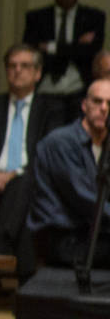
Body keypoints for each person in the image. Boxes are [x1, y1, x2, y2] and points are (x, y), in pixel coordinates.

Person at [0, 45, 65, 277]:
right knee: (23, 214)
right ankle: (26, 282)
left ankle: (0, 250)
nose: (17, 71)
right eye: (12, 66)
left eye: (25, 66)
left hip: (32, 184)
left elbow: (48, 155)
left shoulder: (52, 109)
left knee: (22, 184)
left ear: (38, 73)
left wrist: (12, 175)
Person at [27, 78, 110, 271]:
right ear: (84, 105)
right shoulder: (61, 142)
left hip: (96, 233)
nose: (104, 108)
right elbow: (84, 198)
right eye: (97, 101)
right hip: (64, 237)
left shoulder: (107, 144)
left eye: (109, 103)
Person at [25, 0, 104, 100]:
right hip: (45, 87)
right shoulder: (36, 18)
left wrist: (51, 47)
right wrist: (76, 46)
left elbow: (92, 52)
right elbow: (31, 51)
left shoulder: (93, 17)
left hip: (80, 88)